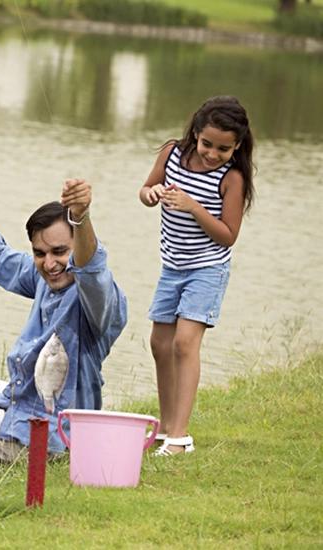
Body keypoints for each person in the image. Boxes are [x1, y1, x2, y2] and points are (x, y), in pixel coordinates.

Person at [0, 170, 128, 464]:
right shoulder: (44, 278)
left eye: (60, 251)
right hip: (19, 409)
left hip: (44, 441)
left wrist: (81, 217)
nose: (50, 263)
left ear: (76, 246)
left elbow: (92, 269)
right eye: (40, 253)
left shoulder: (97, 298)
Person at [138, 96, 255, 456]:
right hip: (172, 266)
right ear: (195, 133)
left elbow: (227, 234)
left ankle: (180, 438)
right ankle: (167, 426)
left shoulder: (231, 177)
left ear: (236, 146)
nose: (212, 154)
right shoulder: (172, 153)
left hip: (207, 268)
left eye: (223, 148)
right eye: (207, 144)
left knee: (184, 343)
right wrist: (152, 193)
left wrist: (193, 206)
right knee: (160, 344)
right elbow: (144, 192)